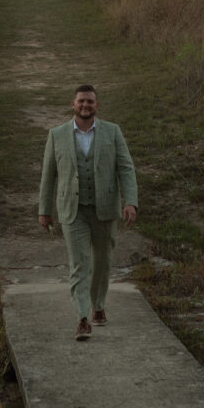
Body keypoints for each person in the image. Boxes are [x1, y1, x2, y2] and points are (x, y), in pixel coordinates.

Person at [38, 84, 138, 341]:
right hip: (73, 212)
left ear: (97, 105)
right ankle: (82, 318)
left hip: (105, 209)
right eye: (81, 101)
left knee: (103, 262)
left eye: (90, 102)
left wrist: (131, 202)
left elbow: (126, 168)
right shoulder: (57, 135)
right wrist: (44, 210)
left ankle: (99, 305)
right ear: (73, 104)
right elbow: (48, 175)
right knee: (80, 263)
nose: (85, 105)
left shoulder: (112, 132)